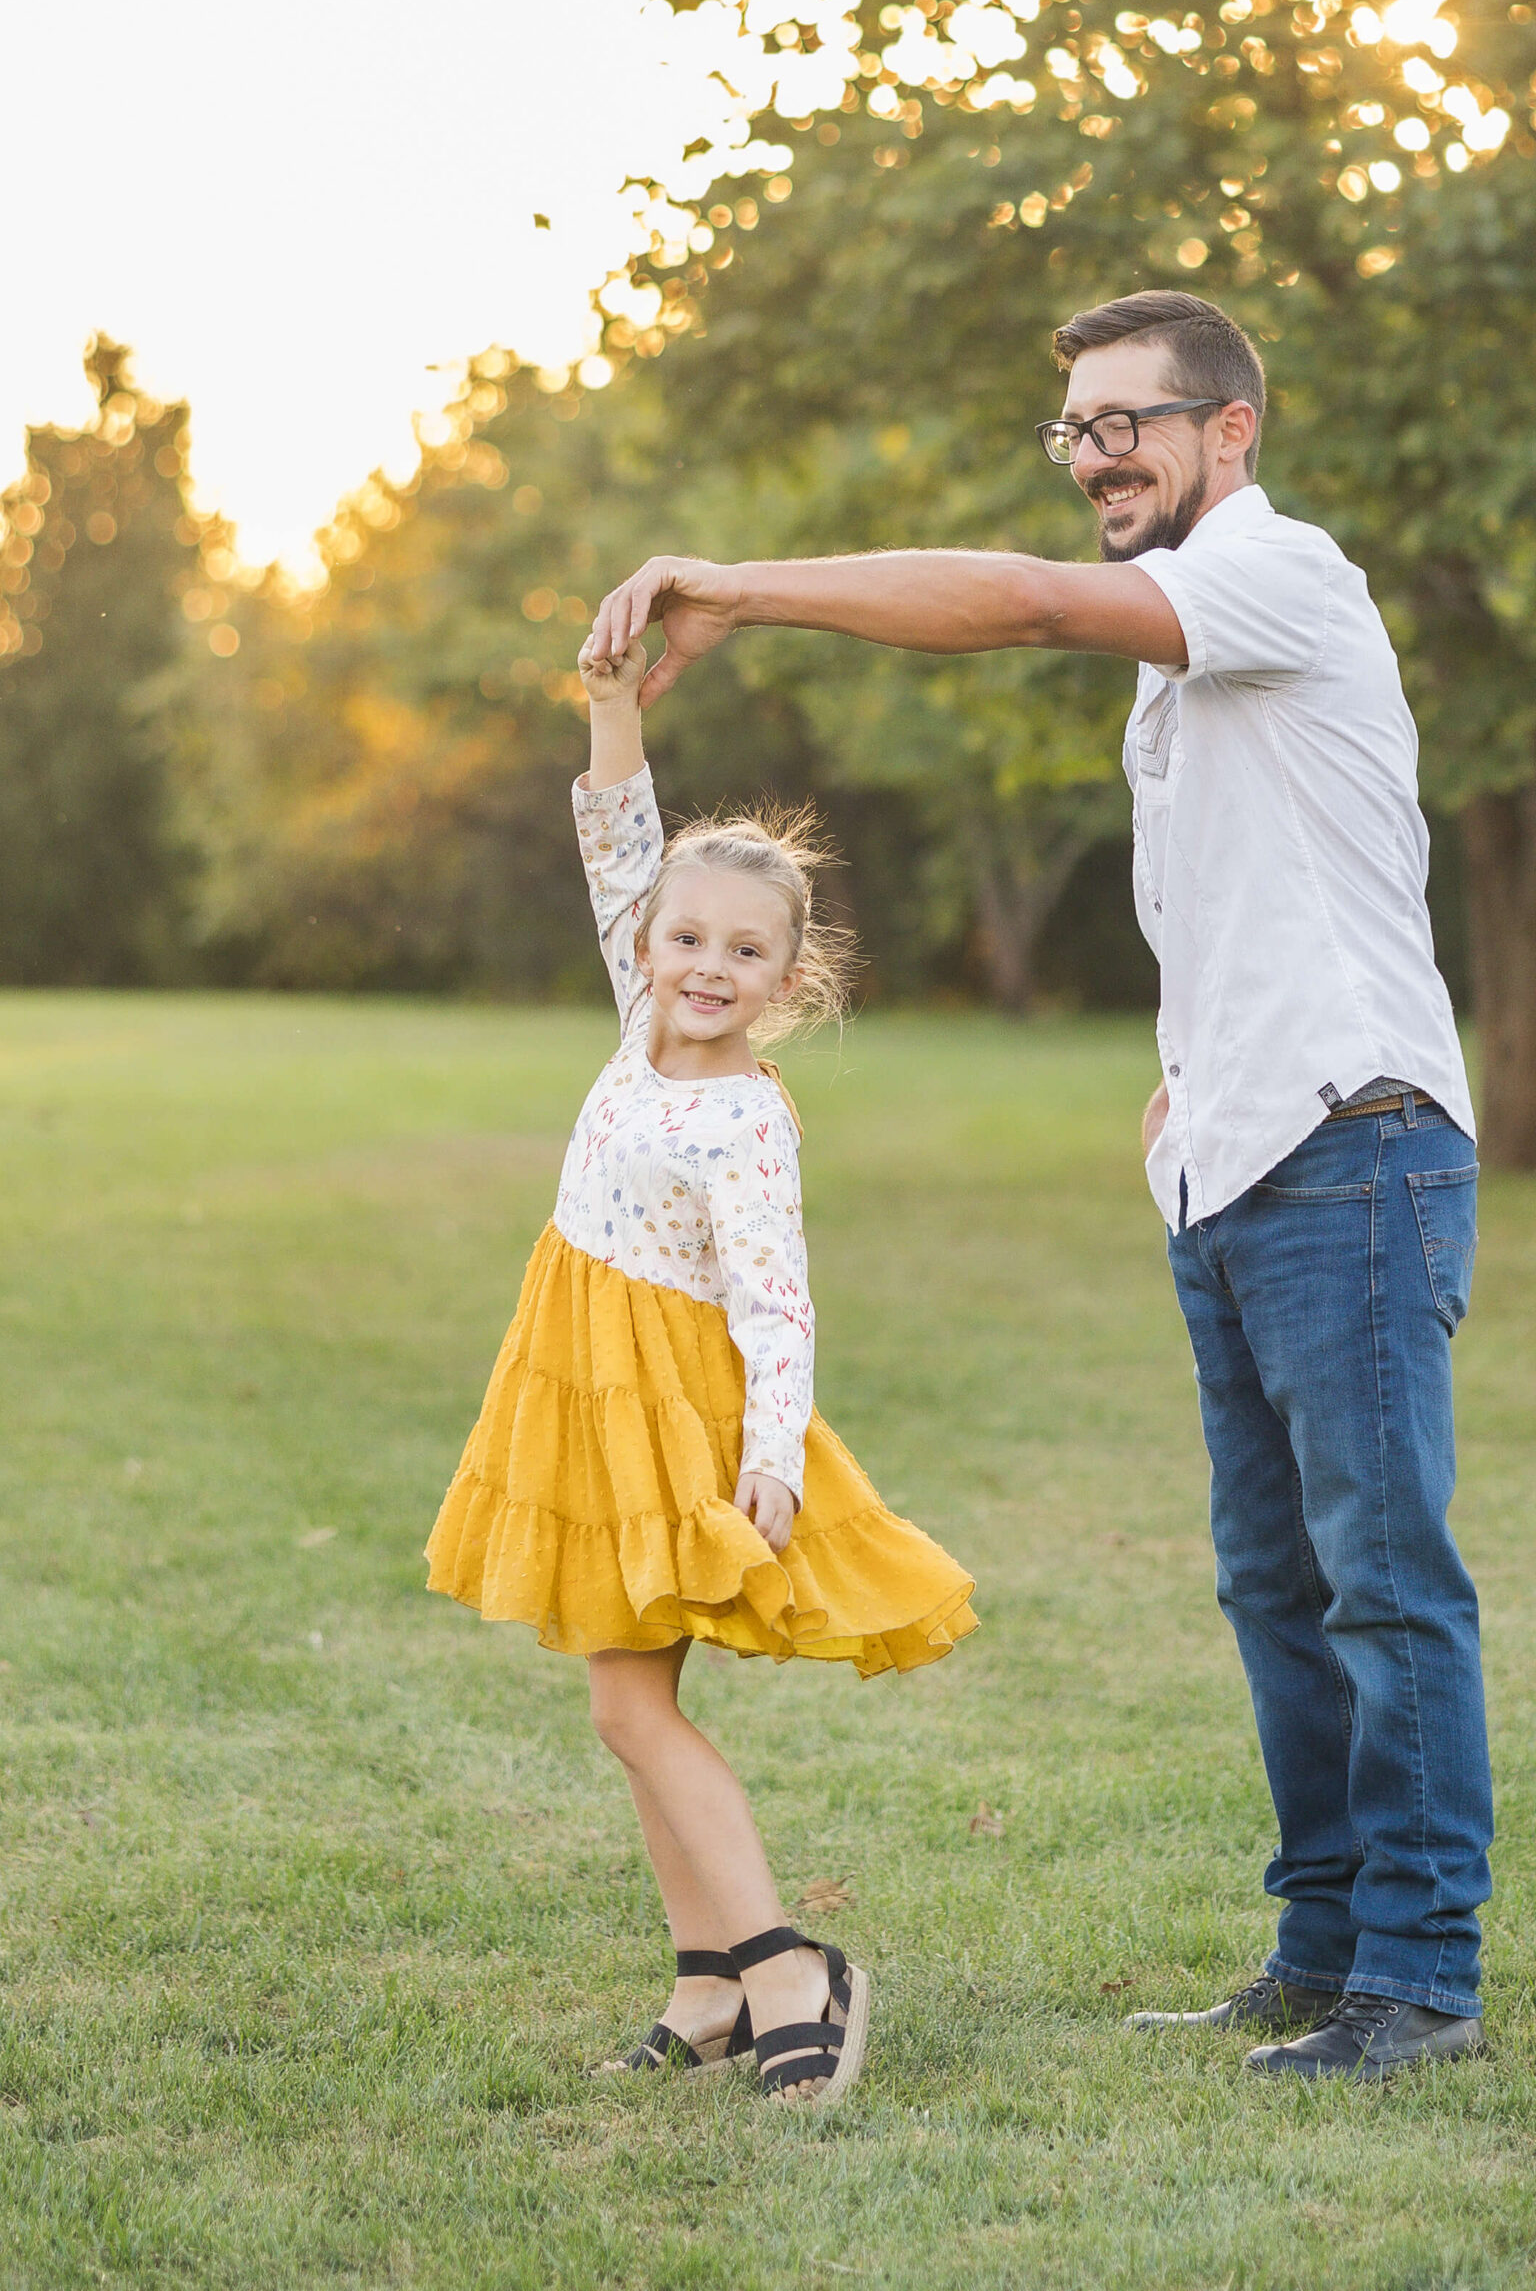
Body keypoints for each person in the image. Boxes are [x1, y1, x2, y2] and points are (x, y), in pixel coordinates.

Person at [584, 286, 1493, 2086]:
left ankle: (1422, 1980)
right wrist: (1189, 1098)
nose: (1095, 458)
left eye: (1126, 422)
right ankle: (1320, 1950)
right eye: (1074, 429)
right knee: (1278, 1586)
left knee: (1383, 1583)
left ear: (1230, 428)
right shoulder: (1189, 661)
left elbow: (1010, 603)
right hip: (1239, 1167)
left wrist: (746, 587)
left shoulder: (1278, 572)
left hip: (1357, 1150)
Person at [423, 619, 977, 2107]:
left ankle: (792, 1965)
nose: (707, 966)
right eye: (686, 939)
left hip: (669, 1411)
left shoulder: (748, 1120)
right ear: (649, 948)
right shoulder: (637, 1020)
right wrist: (611, 707)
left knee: (628, 1709)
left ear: (792, 976)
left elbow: (778, 1305)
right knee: (623, 1704)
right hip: (581, 1386)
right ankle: (709, 1982)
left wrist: (768, 1457)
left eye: (746, 951)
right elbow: (619, 839)